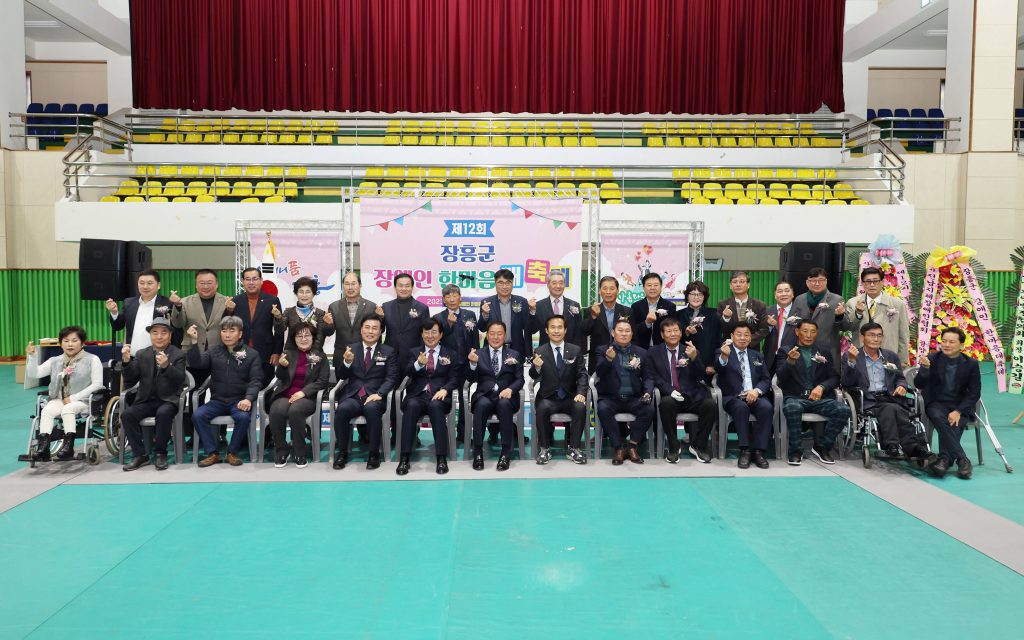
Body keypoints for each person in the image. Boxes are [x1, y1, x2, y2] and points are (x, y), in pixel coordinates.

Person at [842, 322, 928, 460]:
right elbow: (847, 383)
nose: (876, 339)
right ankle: (905, 446)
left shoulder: (890, 356)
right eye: (871, 335)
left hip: (890, 396)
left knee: (895, 408)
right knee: (892, 408)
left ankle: (895, 446)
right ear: (862, 337)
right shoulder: (851, 355)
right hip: (867, 399)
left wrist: (902, 386)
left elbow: (900, 378)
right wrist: (852, 362)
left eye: (879, 335)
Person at [186, 316, 263, 467]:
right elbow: (197, 363)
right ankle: (212, 453)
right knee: (198, 415)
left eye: (232, 331)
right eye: (224, 331)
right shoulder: (213, 350)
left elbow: (256, 380)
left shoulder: (252, 354)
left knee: (243, 418)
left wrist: (248, 398)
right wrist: (194, 342)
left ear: (240, 334)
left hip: (238, 400)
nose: (227, 335)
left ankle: (232, 453)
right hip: (217, 400)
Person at [776, 319, 850, 466]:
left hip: (819, 399)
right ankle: (795, 450)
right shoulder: (786, 351)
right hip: (795, 397)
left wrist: (822, 387)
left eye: (812, 332)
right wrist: (790, 361)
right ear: (797, 332)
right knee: (792, 407)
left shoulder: (823, 352)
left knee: (843, 410)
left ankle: (822, 446)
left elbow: (834, 377)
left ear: (817, 334)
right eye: (805, 331)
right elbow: (781, 377)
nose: (809, 335)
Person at [25, 327, 104, 461]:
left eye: (74, 340)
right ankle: (43, 448)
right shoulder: (55, 361)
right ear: (61, 344)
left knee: (68, 409)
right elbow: (35, 374)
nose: (70, 344)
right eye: (66, 341)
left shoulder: (92, 359)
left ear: (82, 343)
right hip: (59, 399)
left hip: (83, 401)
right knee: (47, 411)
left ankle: (68, 447)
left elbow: (97, 384)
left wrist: (73, 398)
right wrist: (32, 357)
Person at [645, 317, 716, 463]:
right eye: (668, 331)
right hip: (671, 396)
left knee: (710, 405)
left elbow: (701, 376)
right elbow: (652, 376)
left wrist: (694, 358)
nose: (673, 334)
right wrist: (669, 390)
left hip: (692, 395)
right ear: (662, 334)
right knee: (666, 404)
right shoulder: (653, 352)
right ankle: (673, 446)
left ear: (681, 332)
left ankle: (699, 446)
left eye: (676, 330)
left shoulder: (690, 350)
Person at [332, 316, 399, 470]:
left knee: (372, 409)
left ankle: (374, 453)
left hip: (375, 396)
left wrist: (380, 394)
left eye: (375, 328)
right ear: (361, 330)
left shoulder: (388, 351)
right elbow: (341, 376)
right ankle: (342, 452)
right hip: (354, 396)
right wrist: (346, 362)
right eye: (367, 327)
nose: (370, 331)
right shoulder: (351, 348)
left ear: (380, 331)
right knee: (342, 410)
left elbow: (391, 378)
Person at [120, 317, 187, 471]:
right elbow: (130, 378)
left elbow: (180, 379)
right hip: (146, 400)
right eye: (155, 333)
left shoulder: (178, 354)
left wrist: (166, 366)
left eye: (163, 333)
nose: (159, 336)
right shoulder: (142, 354)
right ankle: (140, 455)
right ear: (150, 335)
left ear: (170, 335)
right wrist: (126, 361)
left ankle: (161, 454)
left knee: (163, 413)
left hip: (169, 400)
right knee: (127, 415)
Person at [916, 327, 981, 480]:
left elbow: (975, 392)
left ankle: (944, 460)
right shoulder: (932, 358)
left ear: (961, 345)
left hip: (960, 405)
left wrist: (958, 411)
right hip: (936, 403)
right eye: (944, 341)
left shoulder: (971, 363)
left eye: (951, 342)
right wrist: (925, 369)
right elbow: (919, 384)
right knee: (940, 418)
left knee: (954, 424)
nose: (946, 345)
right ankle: (963, 460)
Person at [397, 318, 460, 476]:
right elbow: (407, 372)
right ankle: (404, 458)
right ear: (422, 334)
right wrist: (418, 364)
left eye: (434, 332)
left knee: (436, 407)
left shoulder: (450, 353)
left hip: (439, 395)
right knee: (411, 406)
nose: (430, 336)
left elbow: (455, 378)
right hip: (417, 395)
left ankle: (441, 458)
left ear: (441, 334)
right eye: (426, 332)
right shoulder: (414, 352)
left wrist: (445, 389)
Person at [267, 324, 330, 469]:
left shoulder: (320, 356)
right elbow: (280, 377)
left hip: (307, 397)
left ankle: (300, 452)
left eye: (307, 335)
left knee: (295, 411)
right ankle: (282, 451)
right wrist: (282, 366)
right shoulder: (288, 353)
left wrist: (304, 392)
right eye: (299, 336)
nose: (303, 339)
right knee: (276, 410)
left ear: (313, 338)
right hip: (285, 394)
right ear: (294, 339)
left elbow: (323, 381)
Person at [594, 319, 655, 464]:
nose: (624, 334)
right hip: (610, 398)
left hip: (634, 397)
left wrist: (648, 391)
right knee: (603, 409)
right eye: (620, 331)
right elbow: (599, 372)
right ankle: (618, 448)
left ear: (632, 334)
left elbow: (648, 377)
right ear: (613, 333)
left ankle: (632, 446)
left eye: (627, 331)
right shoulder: (602, 350)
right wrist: (608, 359)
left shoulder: (641, 352)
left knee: (648, 410)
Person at [529, 315, 588, 465]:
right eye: (553, 327)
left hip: (569, 397)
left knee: (580, 407)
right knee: (542, 408)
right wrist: (536, 367)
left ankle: (574, 448)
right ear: (546, 331)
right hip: (548, 397)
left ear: (565, 330)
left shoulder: (575, 350)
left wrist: (581, 393)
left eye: (560, 327)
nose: (556, 331)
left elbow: (582, 374)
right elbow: (533, 375)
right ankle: (544, 449)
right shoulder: (540, 350)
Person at [467, 321, 525, 472]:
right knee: (481, 405)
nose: (495, 337)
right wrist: (472, 364)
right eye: (492, 333)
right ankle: (478, 452)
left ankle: (505, 453)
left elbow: (520, 379)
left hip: (506, 396)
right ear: (487, 335)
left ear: (505, 336)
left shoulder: (514, 354)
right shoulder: (478, 354)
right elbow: (471, 378)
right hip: (485, 395)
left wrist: (511, 389)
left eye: (499, 334)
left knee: (504, 404)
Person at [715, 323, 774, 469]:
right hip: (733, 397)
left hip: (754, 395)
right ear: (732, 336)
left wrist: (756, 391)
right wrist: (724, 356)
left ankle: (759, 451)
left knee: (766, 407)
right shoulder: (723, 351)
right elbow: (718, 368)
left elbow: (766, 379)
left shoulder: (757, 355)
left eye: (746, 335)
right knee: (741, 408)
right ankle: (745, 450)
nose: (743, 338)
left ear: (750, 338)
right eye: (739, 334)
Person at [433, 284, 479, 440]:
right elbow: (435, 339)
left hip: (466, 365)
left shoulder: (470, 314)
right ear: (444, 300)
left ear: (460, 298)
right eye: (448, 296)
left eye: (454, 296)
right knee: (445, 399)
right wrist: (449, 325)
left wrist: (476, 357)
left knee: (464, 399)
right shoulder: (438, 318)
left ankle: (463, 434)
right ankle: (445, 434)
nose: (452, 299)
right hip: (446, 367)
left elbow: (475, 340)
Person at [226, 267, 283, 386]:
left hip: (265, 354)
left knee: (265, 388)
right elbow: (225, 326)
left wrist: (277, 352)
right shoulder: (235, 301)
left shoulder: (272, 300)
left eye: (255, 279)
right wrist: (229, 311)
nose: (251, 282)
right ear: (243, 282)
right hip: (240, 353)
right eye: (248, 279)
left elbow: (279, 329)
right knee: (241, 389)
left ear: (261, 281)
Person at [170, 269, 229, 378]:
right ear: (196, 285)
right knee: (193, 386)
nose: (205, 286)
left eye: (209, 283)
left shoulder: (227, 302)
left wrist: (230, 310)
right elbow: (178, 324)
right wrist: (177, 306)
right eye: (202, 283)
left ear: (216, 284)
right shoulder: (184, 302)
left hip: (219, 355)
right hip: (192, 354)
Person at [105, 269, 178, 355]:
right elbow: (118, 326)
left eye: (149, 283)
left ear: (158, 285)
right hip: (132, 357)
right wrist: (114, 313)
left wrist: (177, 305)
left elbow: (177, 328)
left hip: (159, 357)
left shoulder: (167, 303)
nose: (145, 287)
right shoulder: (129, 303)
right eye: (142, 283)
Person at [845, 266, 910, 360]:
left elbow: (903, 335)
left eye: (875, 281)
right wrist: (858, 313)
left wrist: (903, 359)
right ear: (863, 283)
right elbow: (848, 327)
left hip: (888, 355)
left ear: (882, 282)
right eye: (868, 281)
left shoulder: (898, 304)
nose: (872, 285)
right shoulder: (853, 303)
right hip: (861, 356)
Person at [789, 267, 847, 371]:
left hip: (828, 352)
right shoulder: (799, 299)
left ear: (826, 281)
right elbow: (793, 326)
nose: (817, 283)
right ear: (807, 282)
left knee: (829, 380)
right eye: (813, 280)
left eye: (821, 280)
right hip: (803, 352)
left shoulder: (837, 300)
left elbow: (845, 327)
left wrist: (840, 316)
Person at [379, 272, 431, 380]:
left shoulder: (422, 308)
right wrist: (380, 318)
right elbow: (380, 330)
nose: (404, 289)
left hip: (412, 357)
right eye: (400, 285)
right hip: (391, 356)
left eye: (407, 286)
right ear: (395, 287)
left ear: (412, 287)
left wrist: (421, 355)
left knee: (411, 388)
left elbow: (426, 334)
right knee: (390, 387)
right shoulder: (386, 307)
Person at [581, 275, 632, 372]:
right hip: (598, 359)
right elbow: (584, 331)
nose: (608, 292)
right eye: (605, 288)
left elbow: (634, 338)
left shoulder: (627, 311)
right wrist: (593, 316)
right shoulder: (590, 310)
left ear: (617, 291)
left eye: (612, 288)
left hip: (622, 359)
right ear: (599, 291)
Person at [326, 272, 378, 366]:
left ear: (360, 285)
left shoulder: (371, 306)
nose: (350, 287)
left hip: (364, 356)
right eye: (347, 284)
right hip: (341, 355)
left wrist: (381, 317)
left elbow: (378, 331)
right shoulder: (334, 306)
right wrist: (329, 323)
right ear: (343, 286)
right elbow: (329, 332)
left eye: (353, 284)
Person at [479, 268, 532, 359]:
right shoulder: (486, 302)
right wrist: (485, 314)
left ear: (512, 284)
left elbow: (528, 328)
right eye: (501, 283)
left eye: (508, 283)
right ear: (495, 283)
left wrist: (528, 353)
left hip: (517, 350)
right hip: (493, 349)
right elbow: (482, 328)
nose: (504, 286)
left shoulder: (522, 301)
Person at [676, 280, 720, 382]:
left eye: (700, 294)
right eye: (693, 294)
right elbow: (673, 339)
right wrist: (686, 333)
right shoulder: (678, 315)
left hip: (706, 365)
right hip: (684, 363)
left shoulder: (713, 314)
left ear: (704, 297)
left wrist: (713, 364)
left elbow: (717, 340)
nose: (696, 297)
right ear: (687, 296)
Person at [528, 271, 583, 348]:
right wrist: (532, 311)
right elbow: (532, 330)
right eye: (554, 283)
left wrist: (576, 351)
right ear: (548, 285)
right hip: (546, 351)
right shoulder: (539, 305)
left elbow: (578, 332)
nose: (558, 286)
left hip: (569, 350)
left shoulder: (574, 305)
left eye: (561, 283)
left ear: (564, 285)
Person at [275, 276, 328, 351]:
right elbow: (279, 330)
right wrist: (278, 317)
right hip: (291, 354)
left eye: (308, 292)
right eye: (301, 292)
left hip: (314, 354)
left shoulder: (320, 313)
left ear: (313, 294)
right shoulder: (289, 312)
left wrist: (310, 355)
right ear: (296, 294)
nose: (304, 295)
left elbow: (320, 337)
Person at [716, 270, 768, 345]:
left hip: (751, 348)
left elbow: (764, 329)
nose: (738, 284)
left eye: (742, 281)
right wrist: (726, 318)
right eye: (735, 282)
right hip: (729, 347)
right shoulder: (723, 304)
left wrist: (746, 341)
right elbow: (718, 328)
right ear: (730, 286)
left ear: (748, 284)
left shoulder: (759, 305)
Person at [630, 272, 677, 347]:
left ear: (661, 287)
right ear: (643, 287)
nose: (652, 288)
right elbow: (633, 330)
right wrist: (647, 323)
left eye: (656, 285)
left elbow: (672, 330)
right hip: (641, 348)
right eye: (649, 285)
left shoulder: (670, 306)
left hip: (662, 348)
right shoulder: (636, 306)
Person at [763, 281, 799, 375]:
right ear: (775, 295)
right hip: (770, 356)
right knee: (766, 382)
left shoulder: (801, 312)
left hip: (790, 356)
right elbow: (761, 333)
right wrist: (769, 326)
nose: (783, 294)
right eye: (779, 291)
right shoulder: (767, 311)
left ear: (792, 294)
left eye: (787, 291)